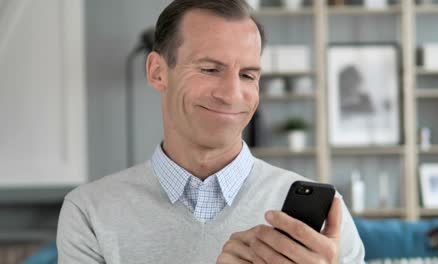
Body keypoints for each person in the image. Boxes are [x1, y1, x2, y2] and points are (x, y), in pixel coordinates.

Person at [57, 0, 365, 263]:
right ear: (157, 72)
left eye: (247, 75)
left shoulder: (325, 218)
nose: (232, 94)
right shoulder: (89, 213)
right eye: (209, 69)